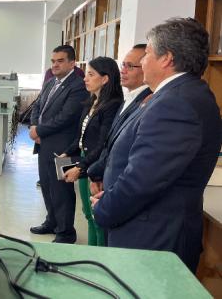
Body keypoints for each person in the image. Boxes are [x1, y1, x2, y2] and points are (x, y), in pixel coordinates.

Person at [91, 18, 221, 272]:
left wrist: (105, 208)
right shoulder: (177, 94)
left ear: (166, 58)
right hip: (150, 229)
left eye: (147, 53)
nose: (141, 61)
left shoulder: (177, 103)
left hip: (152, 239)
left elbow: (143, 180)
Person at [59, 57, 123, 246]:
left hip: (96, 164)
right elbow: (81, 136)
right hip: (86, 159)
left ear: (105, 79)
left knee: (98, 217)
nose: (85, 79)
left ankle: (99, 257)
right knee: (88, 214)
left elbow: (103, 143)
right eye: (86, 74)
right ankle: (90, 251)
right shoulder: (91, 102)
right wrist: (67, 153)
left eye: (91, 74)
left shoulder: (112, 105)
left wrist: (82, 166)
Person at [28, 45, 88, 243]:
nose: (55, 65)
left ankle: (66, 232)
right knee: (46, 185)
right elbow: (37, 106)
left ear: (72, 63)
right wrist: (34, 125)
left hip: (64, 148)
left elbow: (66, 117)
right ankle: (51, 222)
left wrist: (39, 130)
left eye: (60, 61)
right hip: (44, 144)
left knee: (61, 190)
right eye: (53, 61)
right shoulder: (50, 82)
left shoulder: (78, 86)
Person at [87, 44, 152, 190]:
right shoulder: (127, 100)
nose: (123, 71)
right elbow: (110, 143)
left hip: (123, 187)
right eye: (123, 65)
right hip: (108, 179)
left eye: (130, 66)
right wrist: (97, 173)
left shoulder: (148, 101)